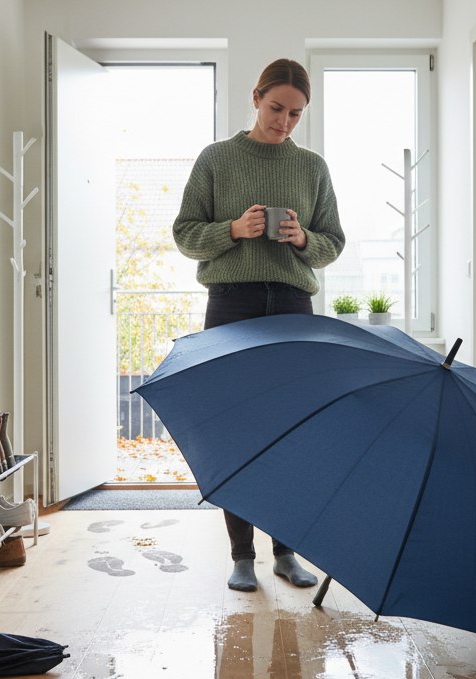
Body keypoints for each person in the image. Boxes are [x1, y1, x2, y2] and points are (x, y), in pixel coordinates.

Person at [172, 58, 346, 592]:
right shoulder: (216, 159)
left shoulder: (312, 167)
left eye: (295, 114)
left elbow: (333, 243)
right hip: (232, 304)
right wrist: (232, 229)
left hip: (293, 306)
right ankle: (242, 556)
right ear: (255, 98)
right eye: (276, 108)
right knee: (236, 430)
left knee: (292, 431)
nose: (284, 122)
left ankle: (286, 552)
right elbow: (185, 234)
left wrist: (302, 239)